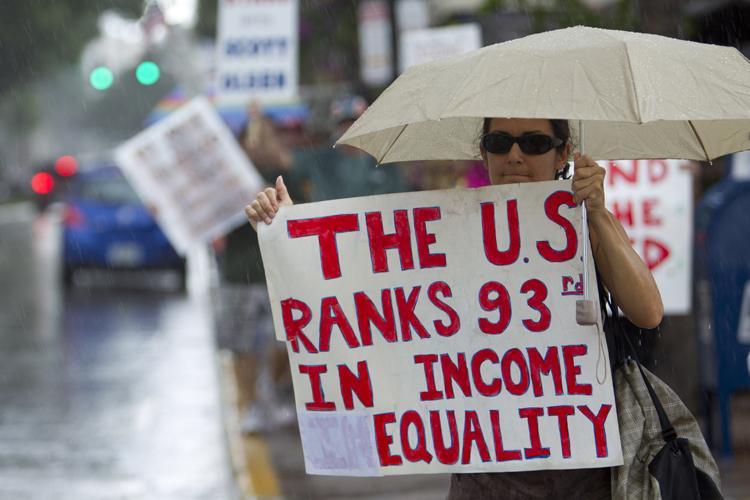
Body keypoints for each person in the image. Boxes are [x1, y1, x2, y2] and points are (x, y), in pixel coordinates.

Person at [244, 117, 664, 499]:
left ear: (563, 152)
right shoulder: (451, 223)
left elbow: (647, 311)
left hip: (582, 474)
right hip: (484, 475)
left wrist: (597, 213)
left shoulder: (581, 222)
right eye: (500, 142)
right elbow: (363, 296)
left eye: (534, 143)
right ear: (484, 152)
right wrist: (292, 234)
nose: (515, 155)